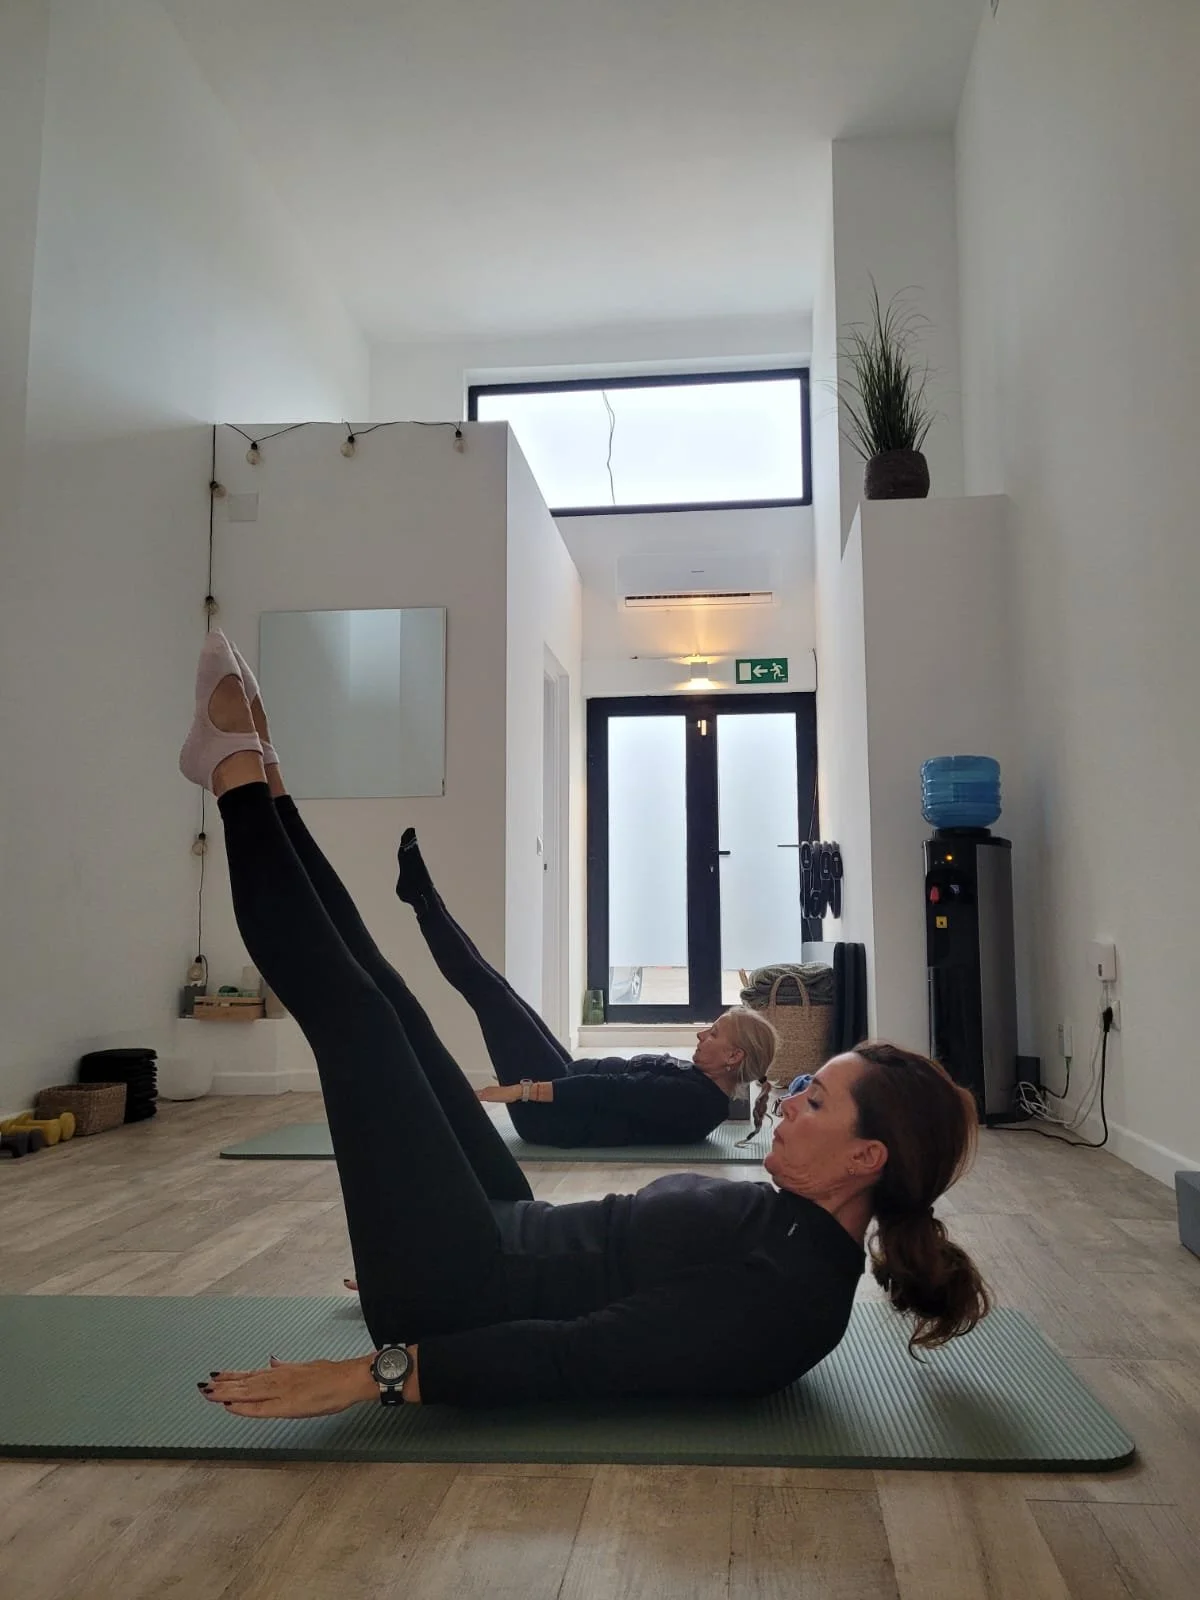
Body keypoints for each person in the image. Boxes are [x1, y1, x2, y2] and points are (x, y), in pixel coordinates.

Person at [182, 631, 991, 1420]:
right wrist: (419, 1217)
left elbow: (578, 1354)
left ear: (867, 1157)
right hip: (500, 1227)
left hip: (463, 1292)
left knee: (360, 1025)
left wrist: (372, 1375)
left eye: (814, 1102)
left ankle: (235, 779)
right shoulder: (794, 1220)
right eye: (804, 1087)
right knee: (395, 1007)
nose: (787, 1101)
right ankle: (270, 783)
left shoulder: (789, 1301)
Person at [393, 833, 777, 1147]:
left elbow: (606, 1092)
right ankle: (424, 898)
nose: (700, 1034)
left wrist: (519, 1092)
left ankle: (422, 899)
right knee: (496, 989)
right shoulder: (705, 1087)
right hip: (565, 1084)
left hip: (550, 1117)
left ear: (733, 1056)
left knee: (487, 992)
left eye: (713, 1033)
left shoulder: (694, 1101)